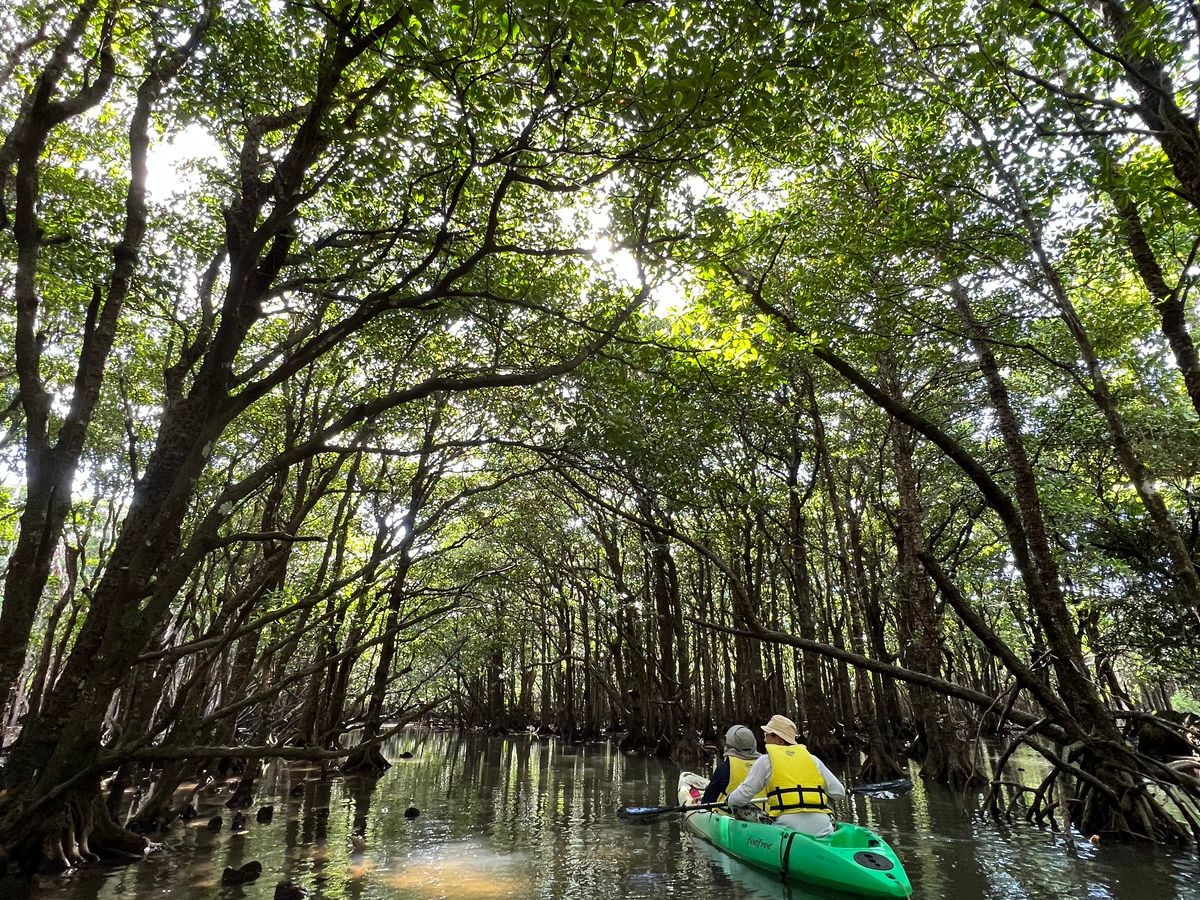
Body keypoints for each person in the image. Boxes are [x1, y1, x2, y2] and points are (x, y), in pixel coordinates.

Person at [725, 714, 845, 837]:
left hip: (786, 830)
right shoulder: (813, 760)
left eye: (767, 735)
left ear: (779, 739)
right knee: (830, 796)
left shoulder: (766, 761)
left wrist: (729, 800)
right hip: (822, 829)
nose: (764, 740)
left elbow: (740, 797)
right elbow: (839, 792)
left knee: (739, 806)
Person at [700, 725, 761, 804]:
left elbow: (709, 799)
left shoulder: (725, 767)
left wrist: (702, 800)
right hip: (762, 808)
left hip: (731, 810)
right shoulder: (765, 762)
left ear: (730, 743)